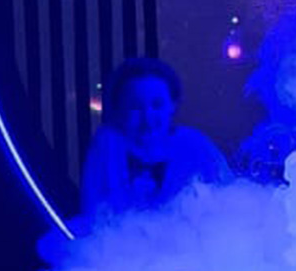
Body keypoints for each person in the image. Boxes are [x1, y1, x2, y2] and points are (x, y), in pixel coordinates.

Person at [80, 56, 232, 221]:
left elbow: (227, 198)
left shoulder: (194, 144)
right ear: (118, 108)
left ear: (172, 105)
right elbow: (93, 210)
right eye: (135, 107)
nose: (147, 117)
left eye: (157, 105)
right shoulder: (107, 145)